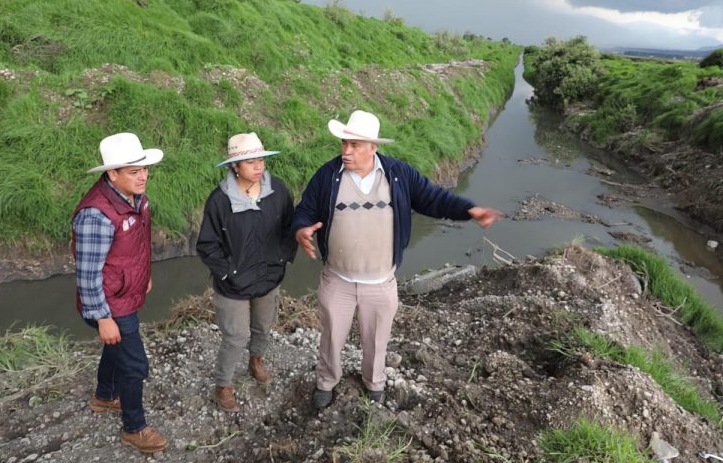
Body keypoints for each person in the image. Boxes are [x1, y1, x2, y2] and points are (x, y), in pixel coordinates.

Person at [293, 110, 503, 409]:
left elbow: (434, 198)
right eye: (344, 143)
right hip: (337, 280)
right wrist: (301, 229)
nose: (346, 151)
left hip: (380, 282)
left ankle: (373, 382)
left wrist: (468, 210)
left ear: (372, 147)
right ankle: (326, 382)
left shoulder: (398, 174)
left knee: (377, 342)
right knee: (330, 339)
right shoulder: (328, 175)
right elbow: (306, 209)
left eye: (354, 145)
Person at [72, 132, 169, 454]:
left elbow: (137, 246)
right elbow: (87, 275)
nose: (142, 176)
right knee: (134, 364)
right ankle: (134, 428)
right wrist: (103, 318)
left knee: (116, 351)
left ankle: (104, 396)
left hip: (126, 291)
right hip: (109, 302)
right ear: (112, 173)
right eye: (133, 171)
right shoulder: (96, 215)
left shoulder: (136, 199)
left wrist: (146, 275)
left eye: (143, 169)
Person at [196, 132, 298, 413]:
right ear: (234, 167)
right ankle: (224, 385)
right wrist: (228, 273)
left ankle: (257, 360)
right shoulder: (219, 201)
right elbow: (207, 245)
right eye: (250, 162)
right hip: (233, 285)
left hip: (268, 278)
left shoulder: (277, 191)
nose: (258, 167)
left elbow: (291, 228)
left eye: (261, 160)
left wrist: (282, 258)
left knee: (263, 326)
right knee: (235, 336)